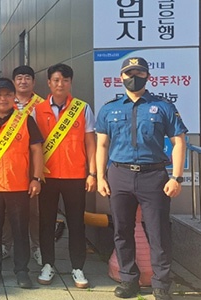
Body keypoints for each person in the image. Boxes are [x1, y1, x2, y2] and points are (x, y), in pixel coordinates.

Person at [96, 57, 187, 300]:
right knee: (122, 230)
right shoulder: (110, 108)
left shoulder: (163, 106)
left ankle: (160, 284)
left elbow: (179, 142)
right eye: (128, 73)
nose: (133, 77)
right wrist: (100, 177)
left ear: (148, 76)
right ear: (120, 77)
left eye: (138, 72)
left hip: (154, 176)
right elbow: (102, 145)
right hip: (119, 175)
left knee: (158, 232)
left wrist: (176, 177)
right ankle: (129, 280)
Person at [0, 78, 43, 289]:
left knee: (21, 230)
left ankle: (22, 271)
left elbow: (37, 150)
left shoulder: (25, 120)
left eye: (7, 94)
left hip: (19, 185)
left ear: (14, 98)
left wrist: (36, 178)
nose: (3, 98)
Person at [34, 63, 96, 289]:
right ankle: (48, 264)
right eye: (56, 80)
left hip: (76, 175)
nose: (61, 84)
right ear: (49, 83)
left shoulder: (82, 108)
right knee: (46, 222)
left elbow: (90, 142)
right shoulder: (37, 109)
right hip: (46, 177)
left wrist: (92, 172)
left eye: (65, 80)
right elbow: (34, 146)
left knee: (76, 223)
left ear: (71, 83)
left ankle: (77, 267)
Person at [0, 65, 44, 263]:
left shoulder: (42, 105)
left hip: (34, 166)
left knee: (34, 211)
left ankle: (37, 246)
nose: (23, 81)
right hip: (9, 167)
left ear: (33, 82)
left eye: (27, 78)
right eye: (19, 77)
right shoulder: (3, 102)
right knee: (8, 210)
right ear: (14, 81)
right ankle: (5, 245)